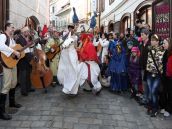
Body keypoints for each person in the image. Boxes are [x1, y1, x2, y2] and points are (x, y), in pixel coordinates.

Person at [0, 23, 22, 120]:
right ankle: (1, 112)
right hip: (6, 63)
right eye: (12, 27)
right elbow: (1, 47)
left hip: (13, 63)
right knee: (7, 85)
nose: (13, 29)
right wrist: (14, 52)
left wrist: (18, 54)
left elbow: (16, 51)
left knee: (14, 83)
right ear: (7, 27)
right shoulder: (2, 36)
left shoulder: (12, 39)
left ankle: (12, 103)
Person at [146, 34, 165, 117]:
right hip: (149, 73)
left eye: (154, 40)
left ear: (158, 41)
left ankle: (155, 108)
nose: (152, 41)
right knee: (150, 91)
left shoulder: (162, 50)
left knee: (154, 91)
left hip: (157, 74)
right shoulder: (149, 49)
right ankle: (151, 106)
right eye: (151, 40)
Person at [16, 26, 33, 96]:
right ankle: (23, 91)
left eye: (28, 32)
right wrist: (28, 43)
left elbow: (27, 47)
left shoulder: (24, 38)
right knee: (23, 75)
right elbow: (23, 48)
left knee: (28, 74)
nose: (28, 33)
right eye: (27, 32)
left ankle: (28, 88)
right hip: (22, 60)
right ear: (24, 32)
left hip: (27, 58)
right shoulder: (19, 38)